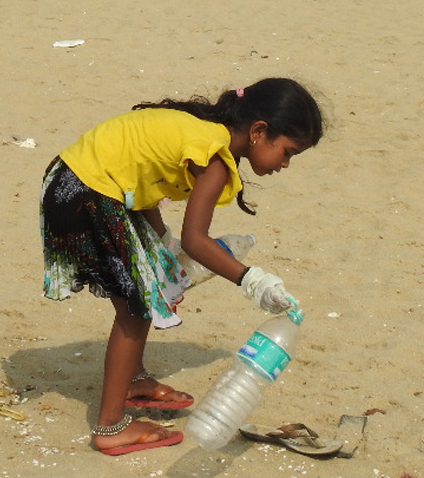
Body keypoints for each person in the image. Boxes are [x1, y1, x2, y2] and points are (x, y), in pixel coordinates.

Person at [40, 77, 324, 456]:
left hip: (77, 179)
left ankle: (134, 379)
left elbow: (142, 179)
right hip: (83, 190)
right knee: (137, 306)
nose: (285, 164)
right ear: (259, 131)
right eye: (288, 152)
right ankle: (110, 426)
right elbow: (197, 241)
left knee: (150, 286)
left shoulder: (204, 132)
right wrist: (250, 278)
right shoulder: (214, 156)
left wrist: (162, 243)